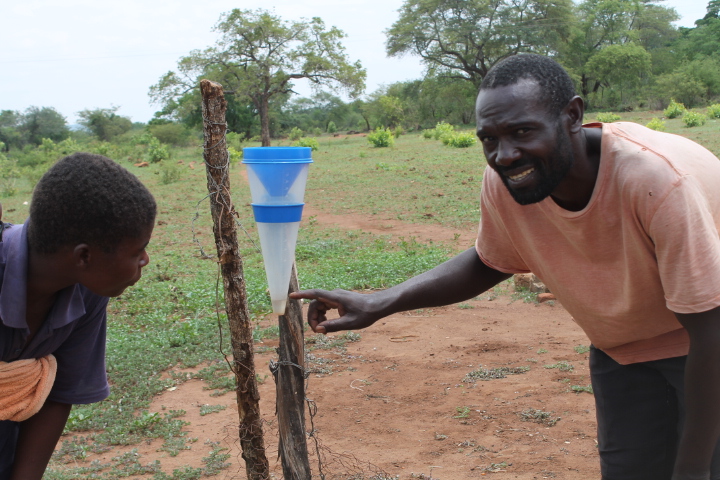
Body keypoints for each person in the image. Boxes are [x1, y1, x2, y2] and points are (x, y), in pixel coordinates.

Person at [290, 54, 720, 480]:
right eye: (489, 139)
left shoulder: (656, 183)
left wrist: (695, 468)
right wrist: (379, 302)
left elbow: (710, 329)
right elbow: (489, 260)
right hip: (623, 348)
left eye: (522, 131)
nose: (504, 155)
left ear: (572, 115)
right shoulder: (512, 181)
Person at [0, 152, 156, 480]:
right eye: (136, 251)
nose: (145, 259)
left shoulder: (87, 293)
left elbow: (58, 393)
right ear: (84, 256)